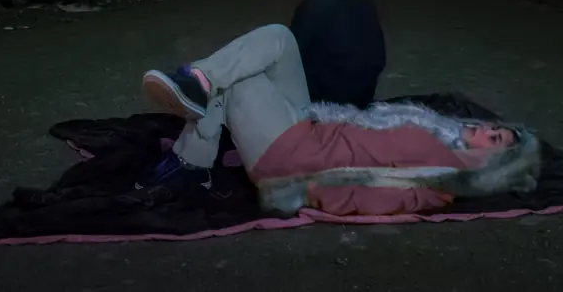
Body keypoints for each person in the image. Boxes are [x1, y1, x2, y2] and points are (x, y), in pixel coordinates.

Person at [125, 24, 541, 216]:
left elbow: (373, 199)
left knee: (240, 82)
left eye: (497, 140)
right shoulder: (441, 132)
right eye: (496, 128)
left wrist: (304, 193)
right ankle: (198, 82)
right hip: (311, 126)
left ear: (492, 165)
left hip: (294, 156)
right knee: (279, 39)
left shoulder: (443, 176)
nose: (488, 129)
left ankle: (193, 160)